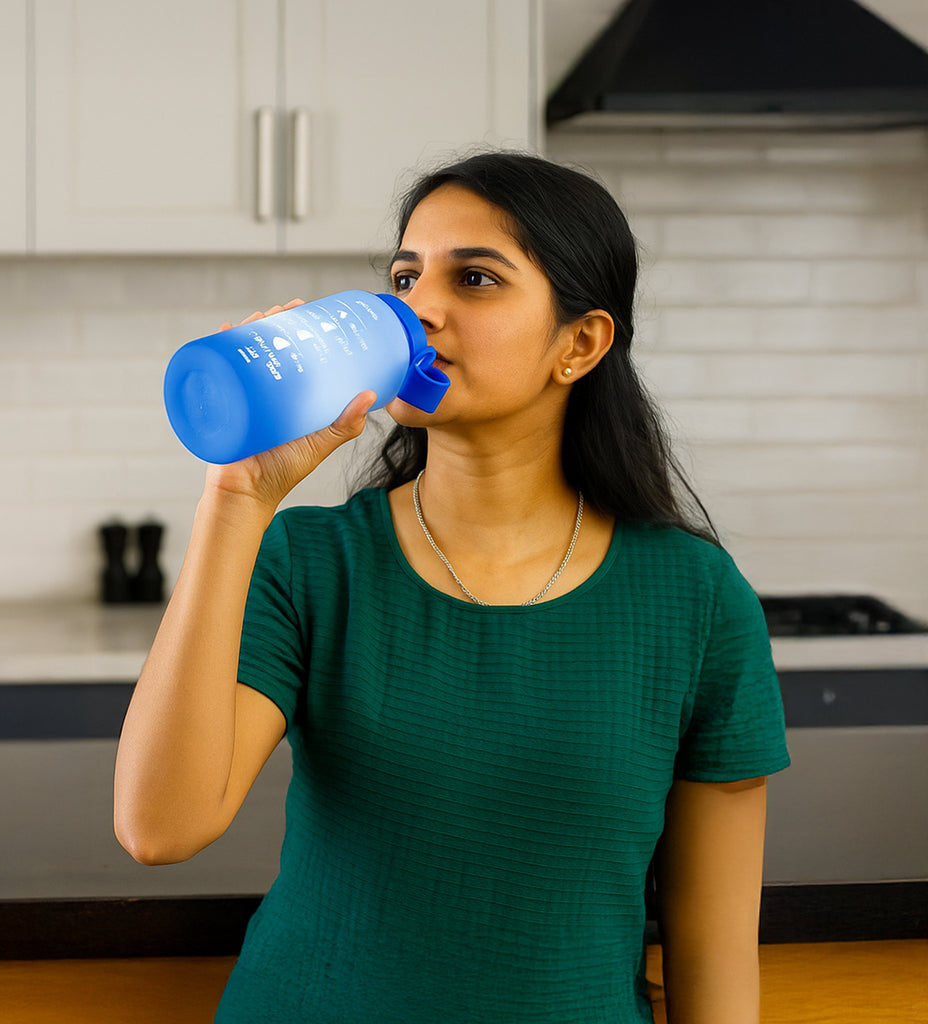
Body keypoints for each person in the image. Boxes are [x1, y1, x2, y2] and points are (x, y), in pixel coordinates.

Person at [114, 151, 789, 1024]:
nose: (417, 307)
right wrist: (236, 499)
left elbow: (717, 959)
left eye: (474, 278)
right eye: (406, 276)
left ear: (580, 344)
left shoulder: (695, 599)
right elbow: (159, 828)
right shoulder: (312, 562)